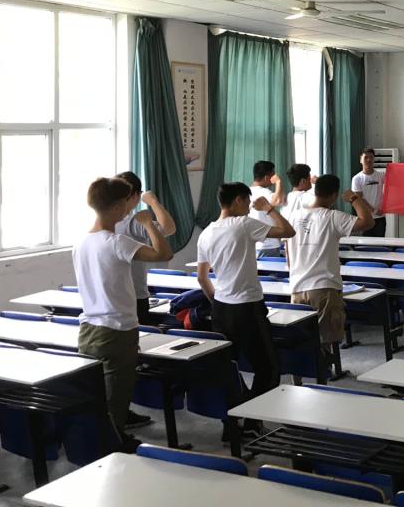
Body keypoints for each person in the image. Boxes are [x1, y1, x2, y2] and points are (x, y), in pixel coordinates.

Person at [73, 177, 172, 451]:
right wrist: (147, 223)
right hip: (117, 330)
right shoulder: (116, 242)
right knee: (116, 399)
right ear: (117, 207)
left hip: (89, 329)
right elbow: (164, 253)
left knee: (97, 397)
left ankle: (107, 443)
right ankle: (112, 449)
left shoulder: (81, 242)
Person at [196, 182, 295, 408]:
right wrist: (269, 209)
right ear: (238, 200)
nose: (249, 208)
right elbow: (288, 231)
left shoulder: (206, 233)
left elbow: (202, 278)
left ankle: (233, 418)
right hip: (247, 308)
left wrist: (217, 303)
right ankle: (252, 417)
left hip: (221, 308)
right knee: (268, 367)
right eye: (248, 202)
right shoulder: (243, 224)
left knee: (228, 365)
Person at [286, 175, 373, 369]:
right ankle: (321, 377)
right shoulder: (332, 217)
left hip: (297, 286)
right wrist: (354, 198)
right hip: (324, 288)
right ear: (334, 195)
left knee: (301, 340)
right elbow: (368, 222)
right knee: (324, 340)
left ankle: (302, 379)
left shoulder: (294, 216)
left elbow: (287, 250)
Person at [114, 170, 177, 430]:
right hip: (134, 297)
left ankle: (121, 410)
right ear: (135, 196)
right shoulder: (133, 222)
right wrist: (153, 203)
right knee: (131, 357)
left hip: (118, 298)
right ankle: (124, 410)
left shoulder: (107, 224)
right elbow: (169, 229)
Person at [250, 160, 284, 258]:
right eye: (273, 175)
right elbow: (277, 201)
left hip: (253, 244)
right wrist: (278, 182)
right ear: (266, 178)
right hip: (267, 245)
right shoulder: (264, 192)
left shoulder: (247, 192)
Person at [352, 148, 387, 238]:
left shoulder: (381, 175)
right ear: (361, 160)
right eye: (366, 157)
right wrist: (374, 210)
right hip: (365, 218)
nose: (369, 160)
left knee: (380, 243)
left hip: (380, 218)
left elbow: (396, 179)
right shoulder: (357, 178)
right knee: (366, 244)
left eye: (371, 157)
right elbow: (359, 199)